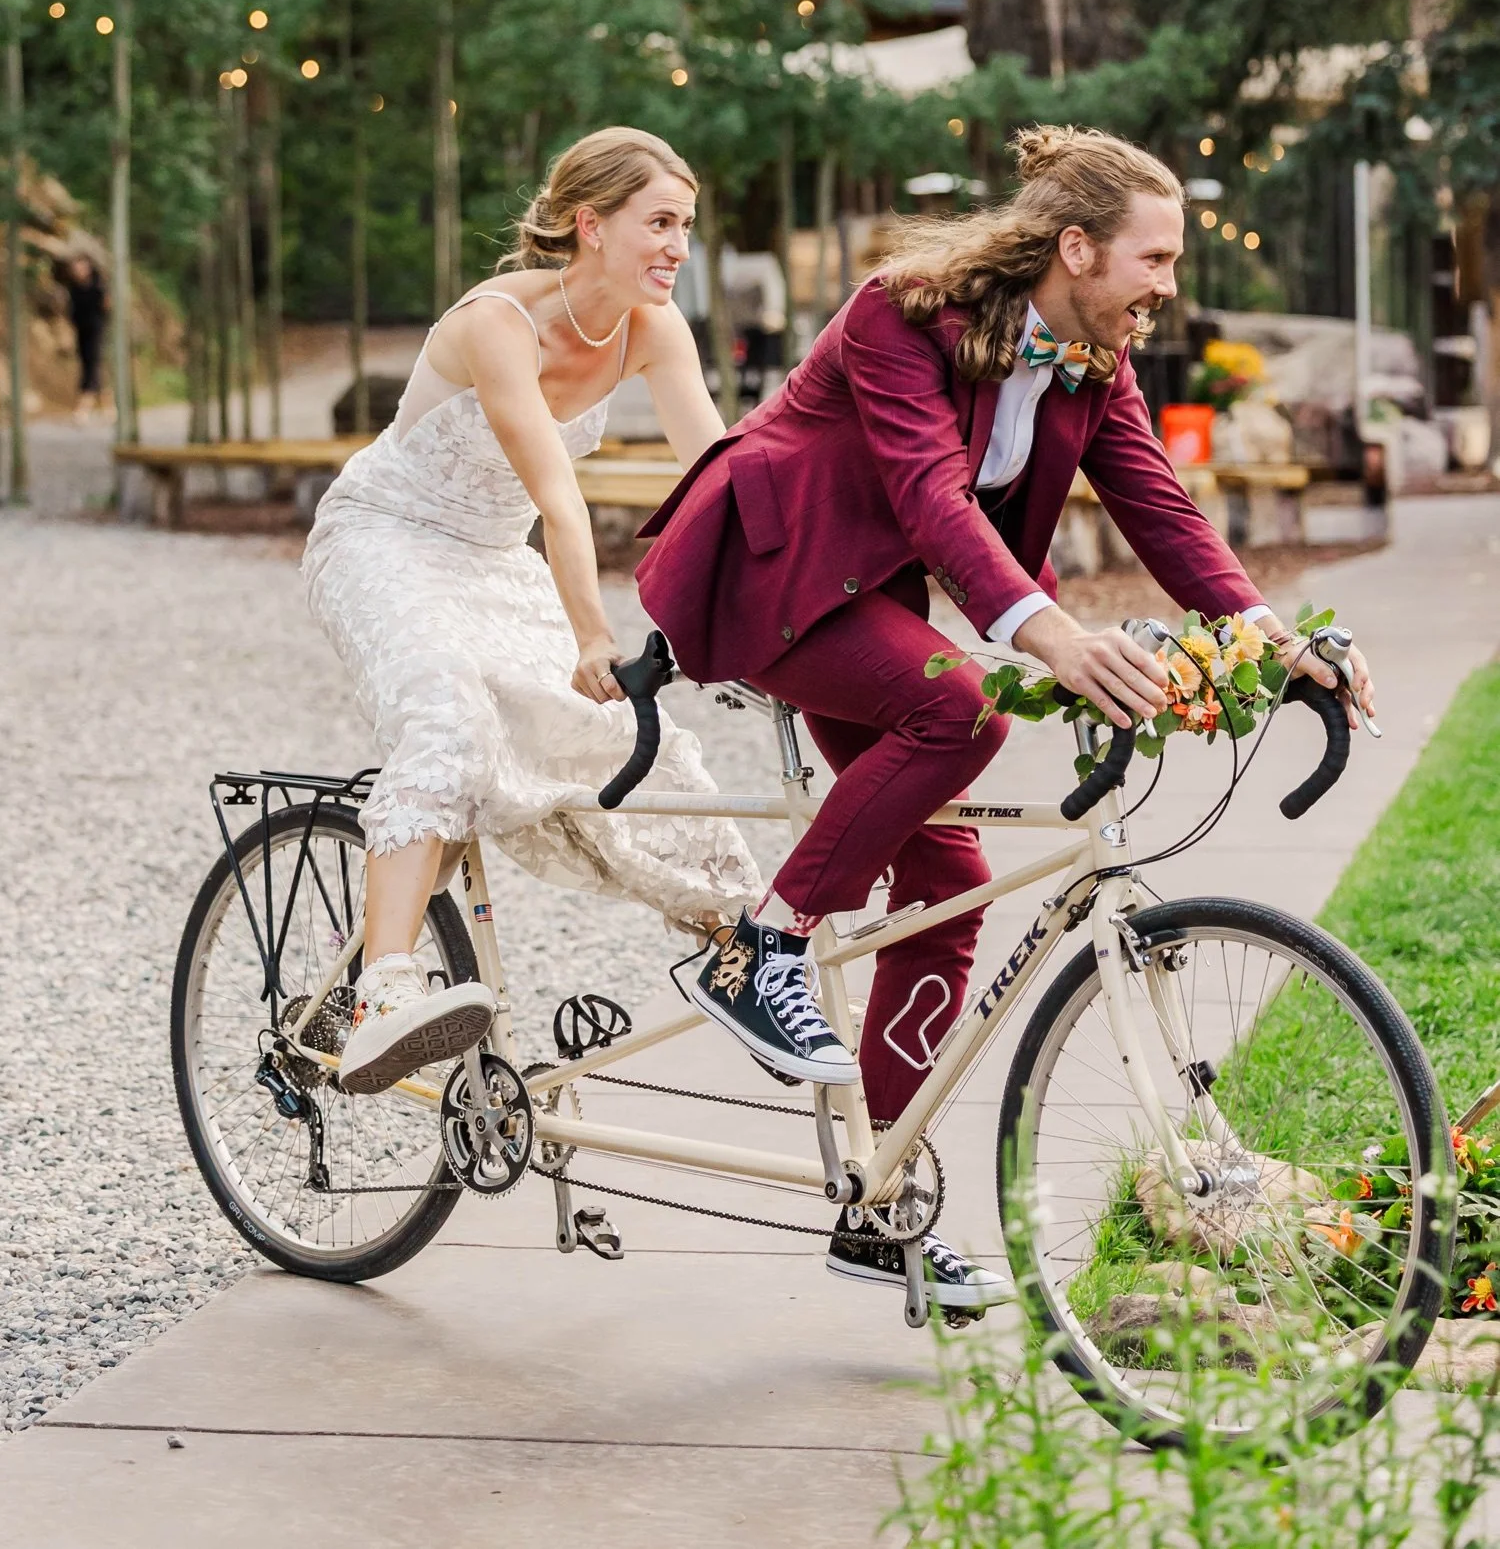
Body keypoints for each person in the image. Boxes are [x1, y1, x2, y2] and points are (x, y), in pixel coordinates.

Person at [636, 124, 1377, 1310]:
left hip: (862, 602)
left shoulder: (1096, 358)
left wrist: (1278, 646)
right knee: (966, 711)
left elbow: (1166, 517)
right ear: (1076, 247)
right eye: (1156, 259)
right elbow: (930, 495)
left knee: (946, 888)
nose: (1170, 287)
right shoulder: (903, 312)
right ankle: (756, 949)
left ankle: (881, 1200)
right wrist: (1048, 633)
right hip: (769, 573)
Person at [304, 127, 758, 1096]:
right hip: (385, 537)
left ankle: (747, 947)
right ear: (590, 226)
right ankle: (379, 995)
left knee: (641, 741)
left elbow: (721, 483)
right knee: (447, 717)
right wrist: (592, 632)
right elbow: (558, 494)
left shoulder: (652, 326)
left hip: (490, 560)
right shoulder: (494, 324)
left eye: (687, 225)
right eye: (661, 223)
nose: (679, 246)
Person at [57, 254, 108, 420]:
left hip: (96, 330)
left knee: (91, 367)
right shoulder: (73, 288)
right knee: (89, 364)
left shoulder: (98, 286)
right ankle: (108, 405)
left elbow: (106, 308)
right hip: (81, 331)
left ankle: (83, 407)